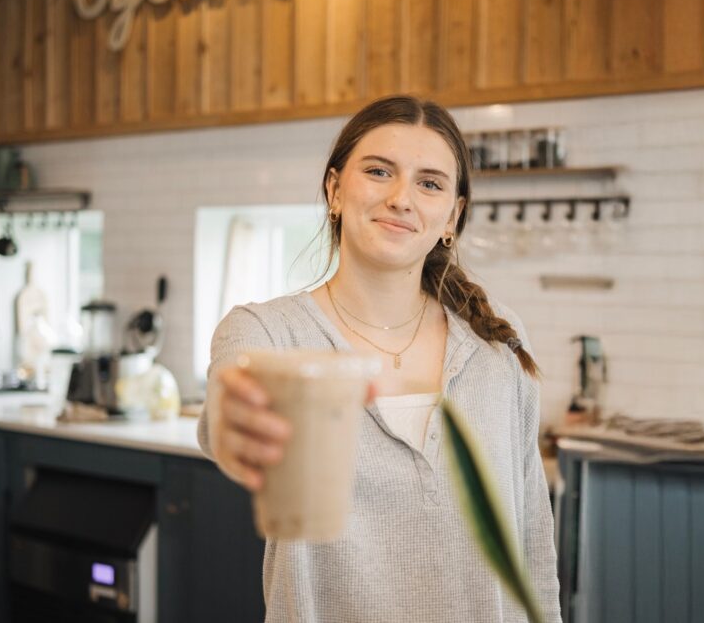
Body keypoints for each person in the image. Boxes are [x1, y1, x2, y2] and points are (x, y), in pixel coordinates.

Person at [197, 96, 561, 623]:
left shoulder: (497, 344)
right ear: (334, 189)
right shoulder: (267, 332)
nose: (400, 198)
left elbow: (532, 537)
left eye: (429, 183)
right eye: (378, 171)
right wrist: (236, 422)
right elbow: (226, 414)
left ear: (451, 217)